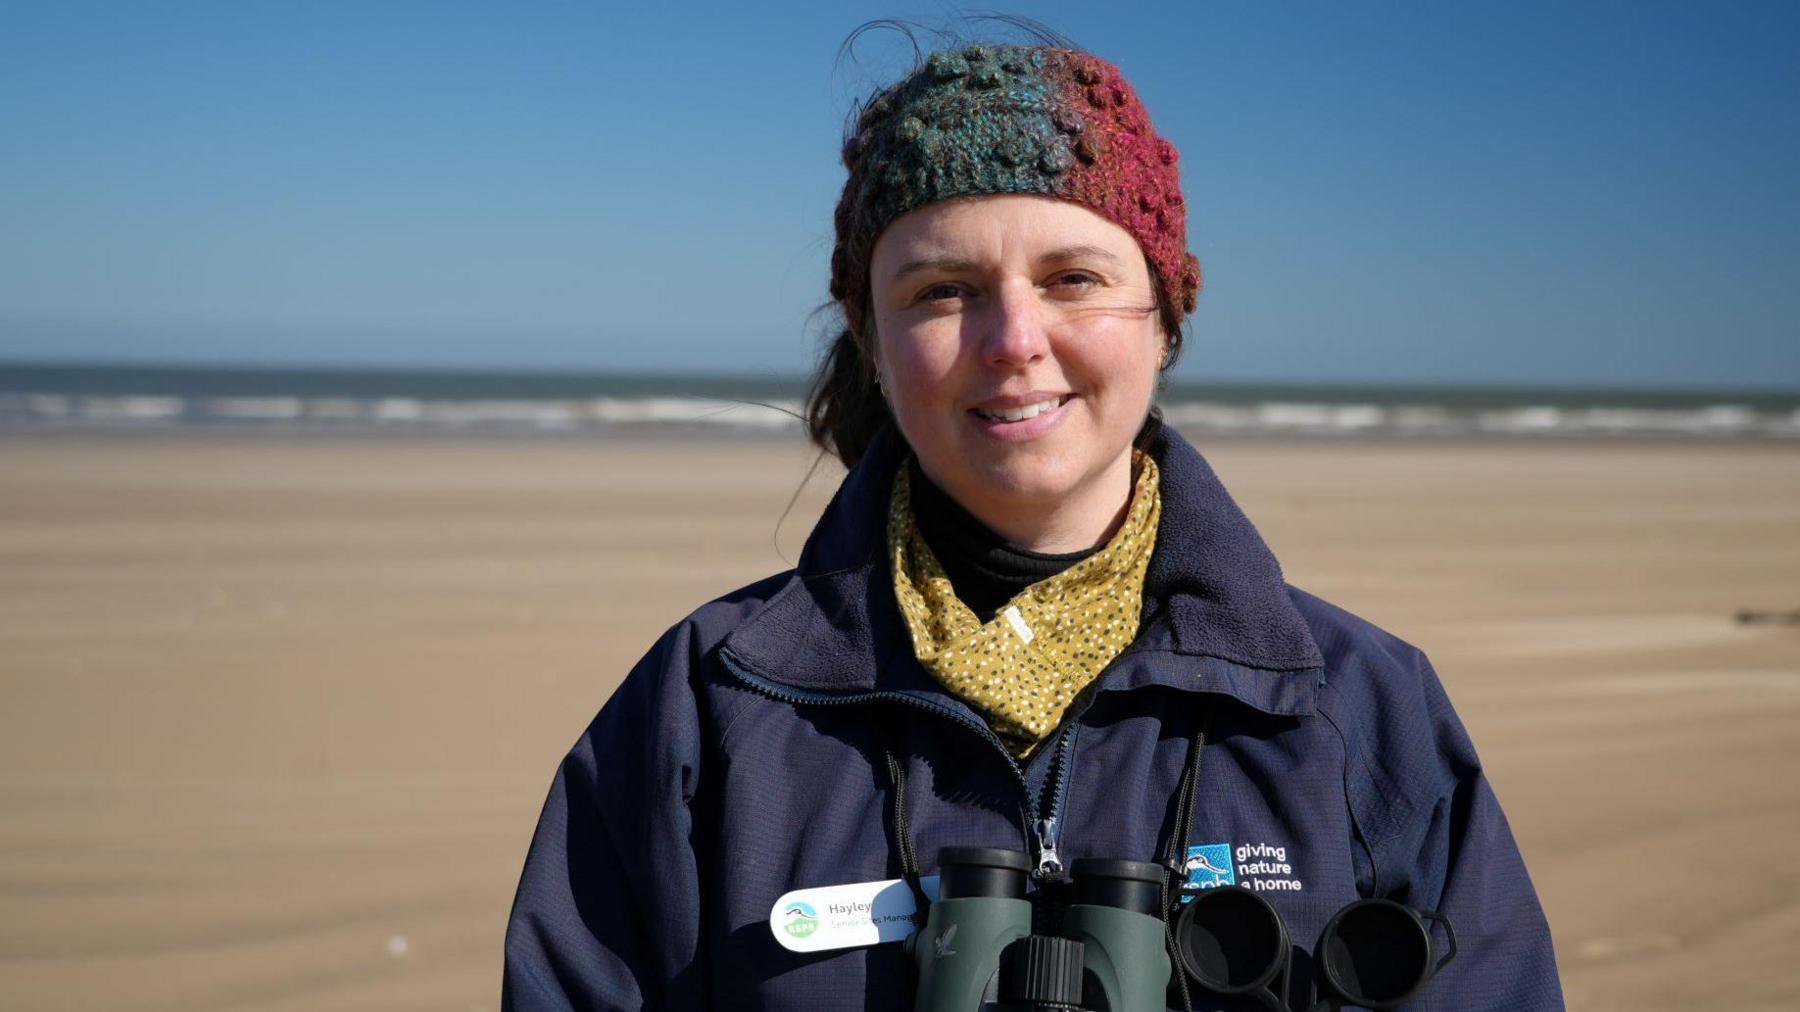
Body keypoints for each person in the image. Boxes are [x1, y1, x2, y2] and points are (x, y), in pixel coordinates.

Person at [502, 36, 1563, 1011]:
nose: (1013, 339)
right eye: (943, 289)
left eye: (1073, 279)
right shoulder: (707, 710)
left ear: (1165, 316)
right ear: (873, 341)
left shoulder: (1356, 710)